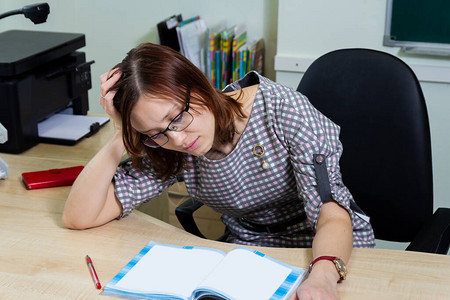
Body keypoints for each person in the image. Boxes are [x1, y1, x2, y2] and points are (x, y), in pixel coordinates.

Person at [62, 43, 375, 300]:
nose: (179, 140)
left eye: (178, 117)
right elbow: (80, 216)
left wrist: (321, 278)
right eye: (156, 132)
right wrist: (122, 134)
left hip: (326, 253)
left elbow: (332, 214)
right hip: (250, 259)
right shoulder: (166, 146)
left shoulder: (283, 111)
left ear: (196, 84)